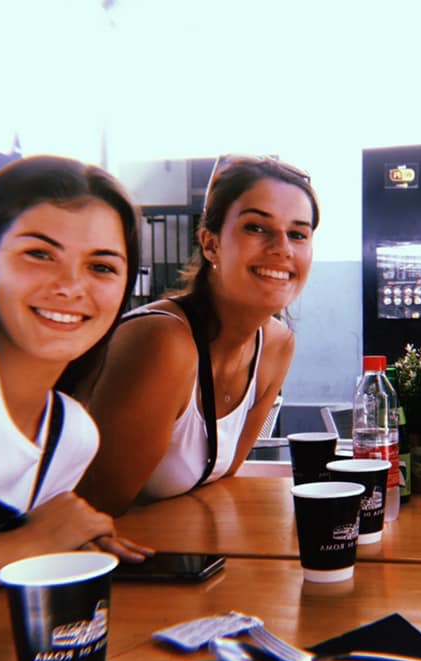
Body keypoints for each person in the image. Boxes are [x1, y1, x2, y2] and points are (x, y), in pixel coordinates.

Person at [76, 156, 319, 516]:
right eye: (256, 227)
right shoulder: (164, 341)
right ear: (210, 244)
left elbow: (218, 481)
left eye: (298, 234)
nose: (282, 247)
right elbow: (92, 515)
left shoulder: (276, 346)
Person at [0, 155, 152, 599]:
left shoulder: (71, 436)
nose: (69, 286)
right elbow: (29, 548)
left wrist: (65, 543)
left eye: (101, 267)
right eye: (40, 254)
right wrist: (34, 543)